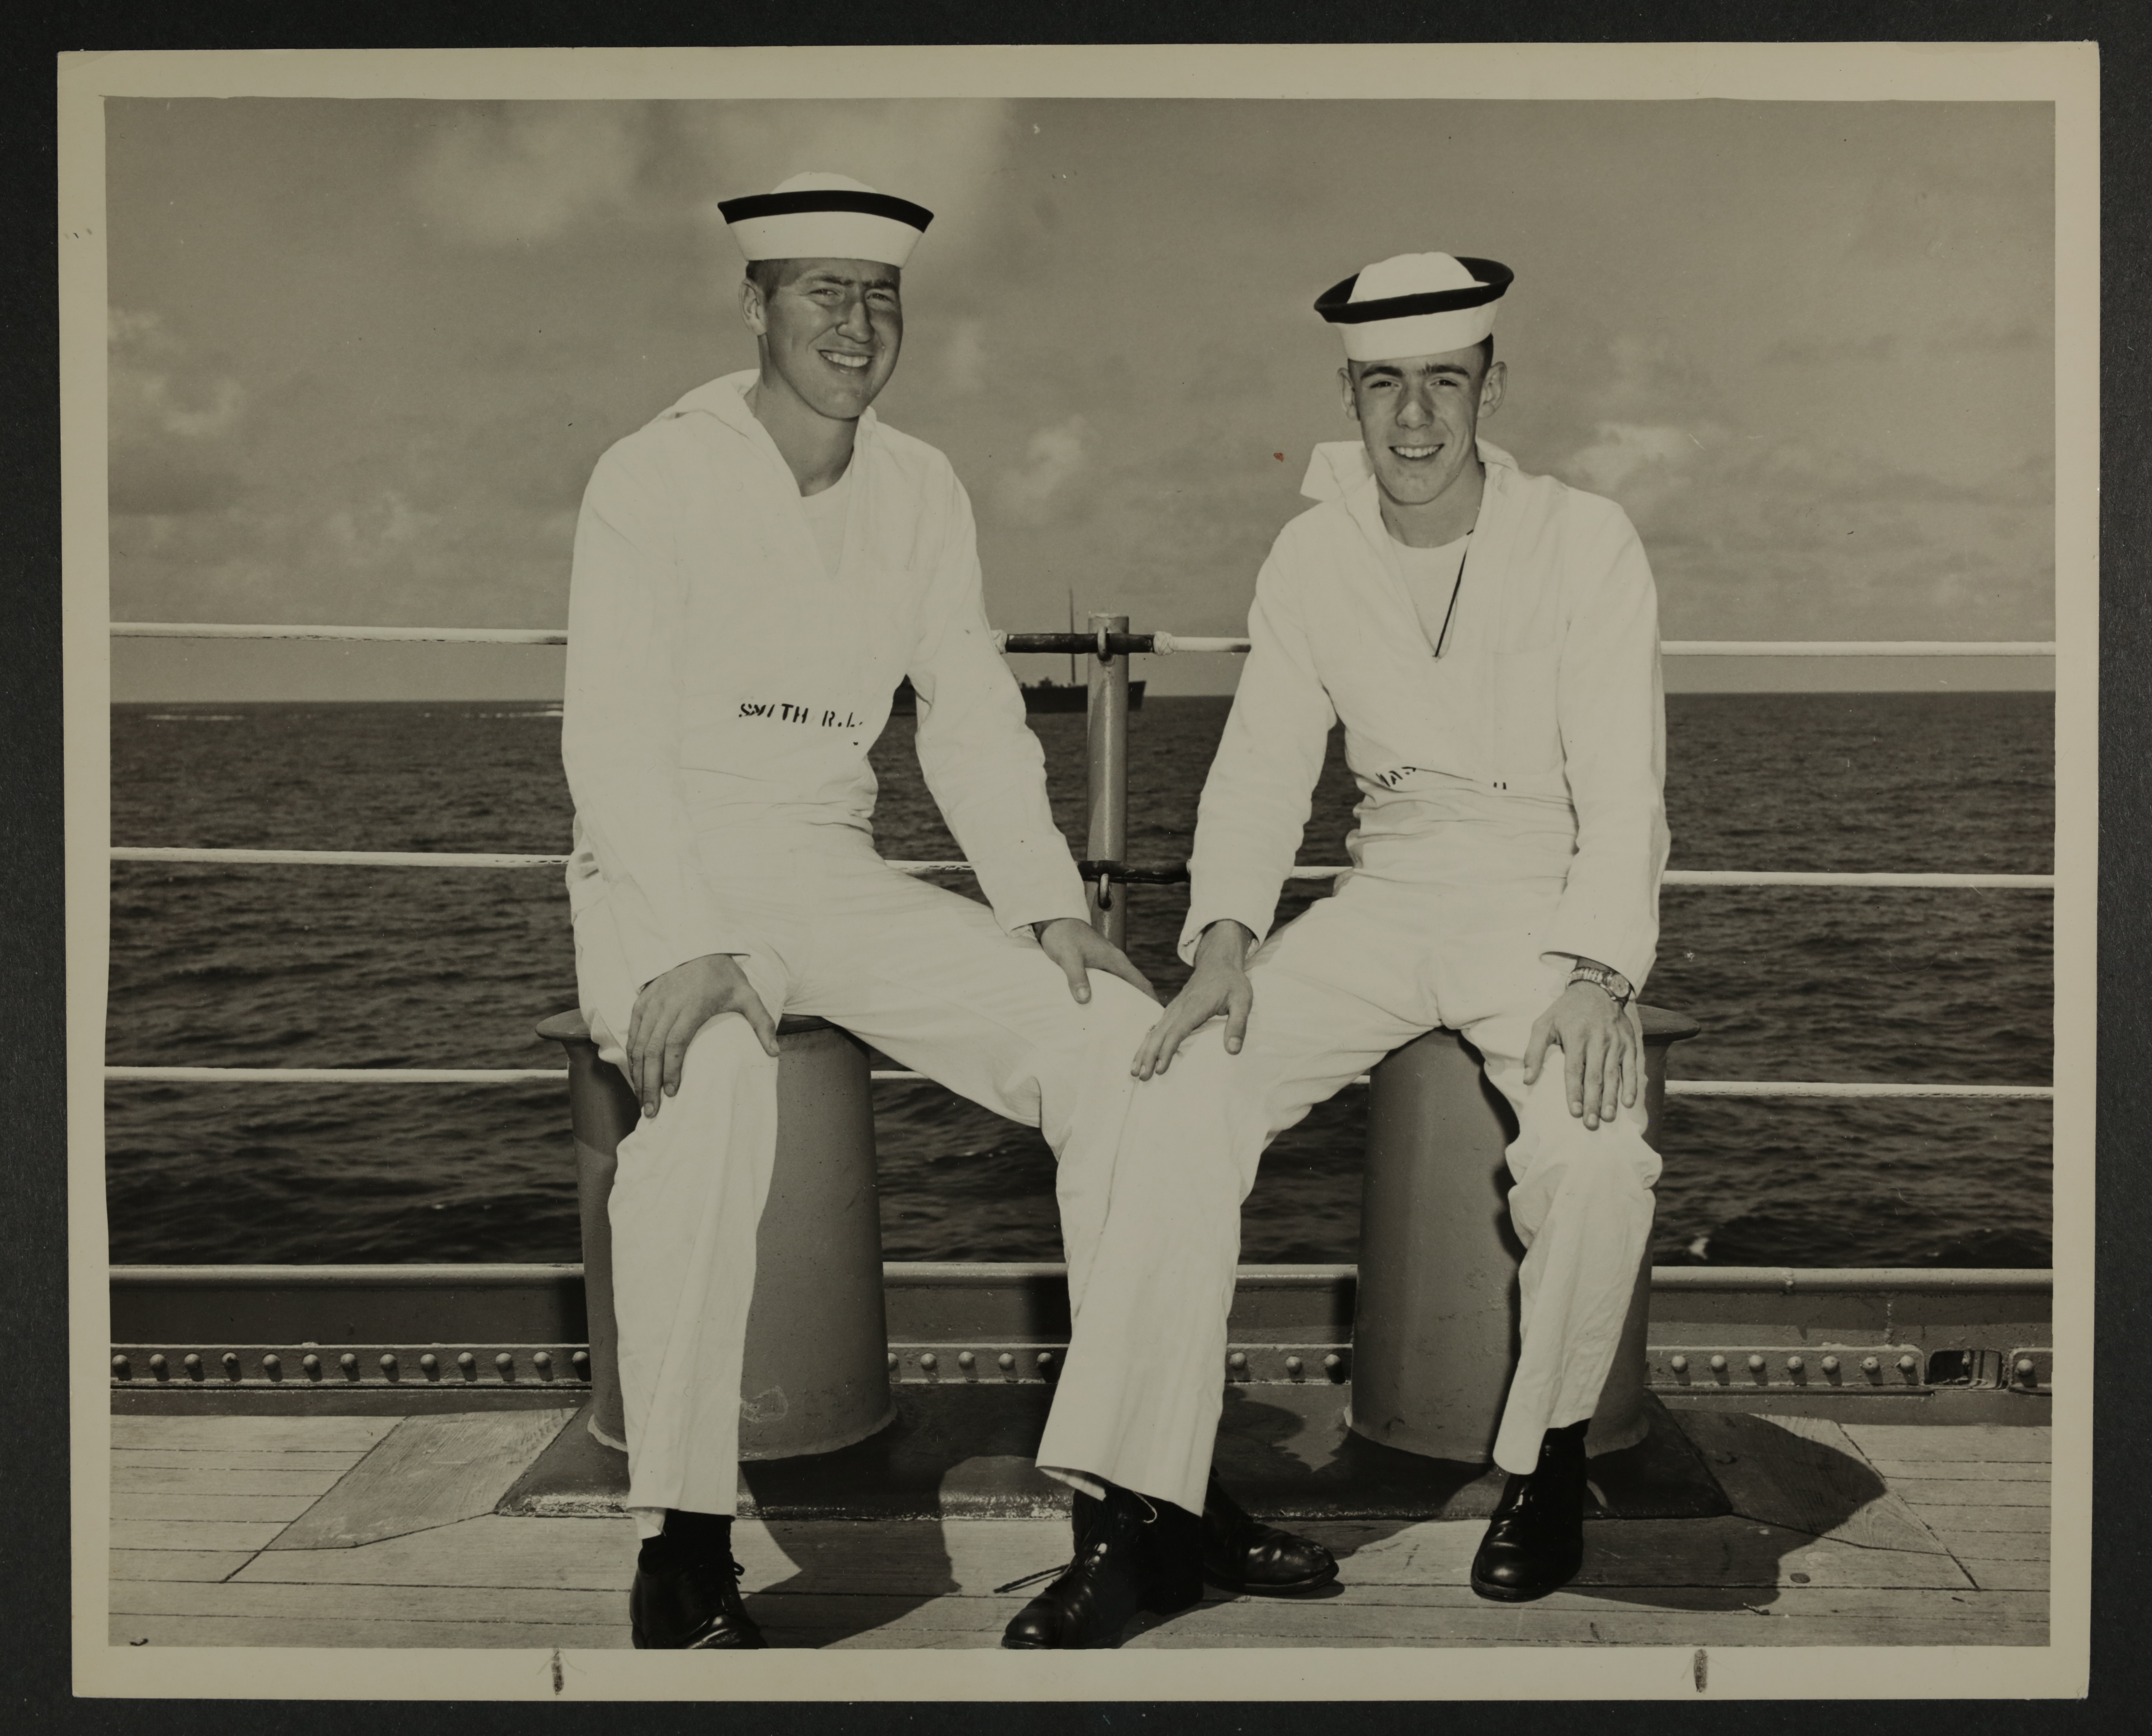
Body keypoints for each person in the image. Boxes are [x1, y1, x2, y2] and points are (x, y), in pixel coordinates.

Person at [560, 173, 1334, 1652]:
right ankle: (683, 1536)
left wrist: (1046, 912)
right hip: (668, 870)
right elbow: (608, 741)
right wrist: (682, 946)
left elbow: (971, 719)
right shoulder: (648, 475)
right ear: (756, 306)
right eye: (823, 294)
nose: (857, 325)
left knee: (1130, 1047)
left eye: (882, 296)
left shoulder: (920, 485)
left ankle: (1145, 1496)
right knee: (713, 1087)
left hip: (830, 866)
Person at [1037, 250, 1669, 1604]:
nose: (1416, 417)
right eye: (1383, 385)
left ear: (1494, 384)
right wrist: (1220, 941)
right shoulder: (1313, 553)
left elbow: (1627, 780)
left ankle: (1545, 1462)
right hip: (1382, 891)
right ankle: (1156, 1502)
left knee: (1602, 1162)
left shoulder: (1583, 537)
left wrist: (1601, 968)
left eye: (1445, 380)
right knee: (1164, 1094)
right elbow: (1265, 764)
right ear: (1349, 392)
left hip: (1541, 905)